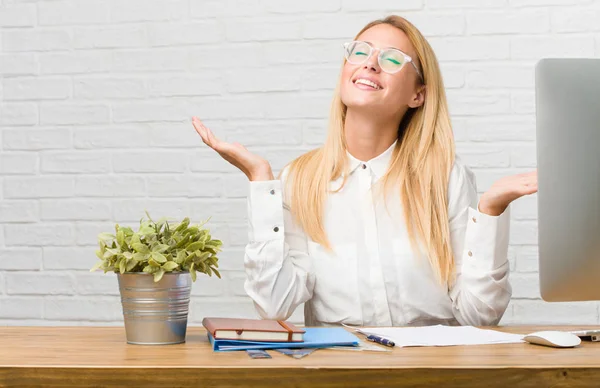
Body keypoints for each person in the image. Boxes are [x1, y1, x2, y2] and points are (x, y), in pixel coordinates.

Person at [191, 15, 537, 327]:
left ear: (418, 95)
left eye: (391, 59)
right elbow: (273, 305)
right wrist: (261, 181)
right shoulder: (300, 180)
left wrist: (491, 211)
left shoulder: (444, 177)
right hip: (339, 371)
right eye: (360, 52)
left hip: (431, 370)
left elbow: (479, 315)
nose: (370, 64)